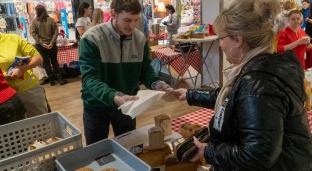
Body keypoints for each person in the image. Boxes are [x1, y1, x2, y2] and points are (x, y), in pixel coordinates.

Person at [173, 0, 312, 170]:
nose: (220, 43)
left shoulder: (259, 82)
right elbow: (235, 98)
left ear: (238, 39)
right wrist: (189, 94)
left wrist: (207, 151)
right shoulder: (265, 66)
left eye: (221, 38)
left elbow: (257, 155)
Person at [79, 0, 171, 145]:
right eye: (127, 20)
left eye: (136, 20)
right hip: (96, 106)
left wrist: (156, 83)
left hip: (128, 106)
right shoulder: (92, 38)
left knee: (129, 147)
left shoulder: (140, 38)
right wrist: (116, 97)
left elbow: (145, 70)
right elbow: (90, 79)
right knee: (97, 150)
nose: (132, 26)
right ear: (113, 14)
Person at [0, 33, 48, 118]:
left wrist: (21, 69)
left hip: (27, 88)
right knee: (17, 127)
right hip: (5, 97)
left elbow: (38, 58)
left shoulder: (13, 39)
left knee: (41, 122)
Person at [32, 5, 68, 86]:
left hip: (40, 46)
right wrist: (52, 42)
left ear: (37, 12)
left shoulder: (34, 21)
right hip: (52, 45)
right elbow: (56, 32)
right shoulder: (51, 20)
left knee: (45, 63)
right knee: (54, 61)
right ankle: (60, 79)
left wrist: (41, 43)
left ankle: (51, 80)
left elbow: (34, 34)